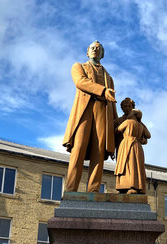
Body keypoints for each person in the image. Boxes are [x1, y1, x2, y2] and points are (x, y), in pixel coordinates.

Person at [63, 41, 118, 192]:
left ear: (102, 54)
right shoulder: (78, 66)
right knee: (78, 149)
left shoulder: (109, 77)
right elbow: (80, 82)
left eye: (98, 49)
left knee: (99, 152)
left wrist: (115, 128)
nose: (95, 50)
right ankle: (70, 189)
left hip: (102, 112)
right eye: (92, 48)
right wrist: (102, 90)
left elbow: (112, 104)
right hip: (85, 112)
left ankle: (93, 191)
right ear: (87, 52)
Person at [114, 98, 151, 194]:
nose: (127, 108)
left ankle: (131, 186)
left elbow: (115, 131)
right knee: (128, 167)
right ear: (122, 108)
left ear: (132, 108)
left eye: (129, 107)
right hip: (123, 148)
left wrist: (142, 140)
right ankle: (124, 186)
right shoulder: (119, 120)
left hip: (127, 145)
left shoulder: (129, 122)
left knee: (133, 166)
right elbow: (148, 135)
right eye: (124, 107)